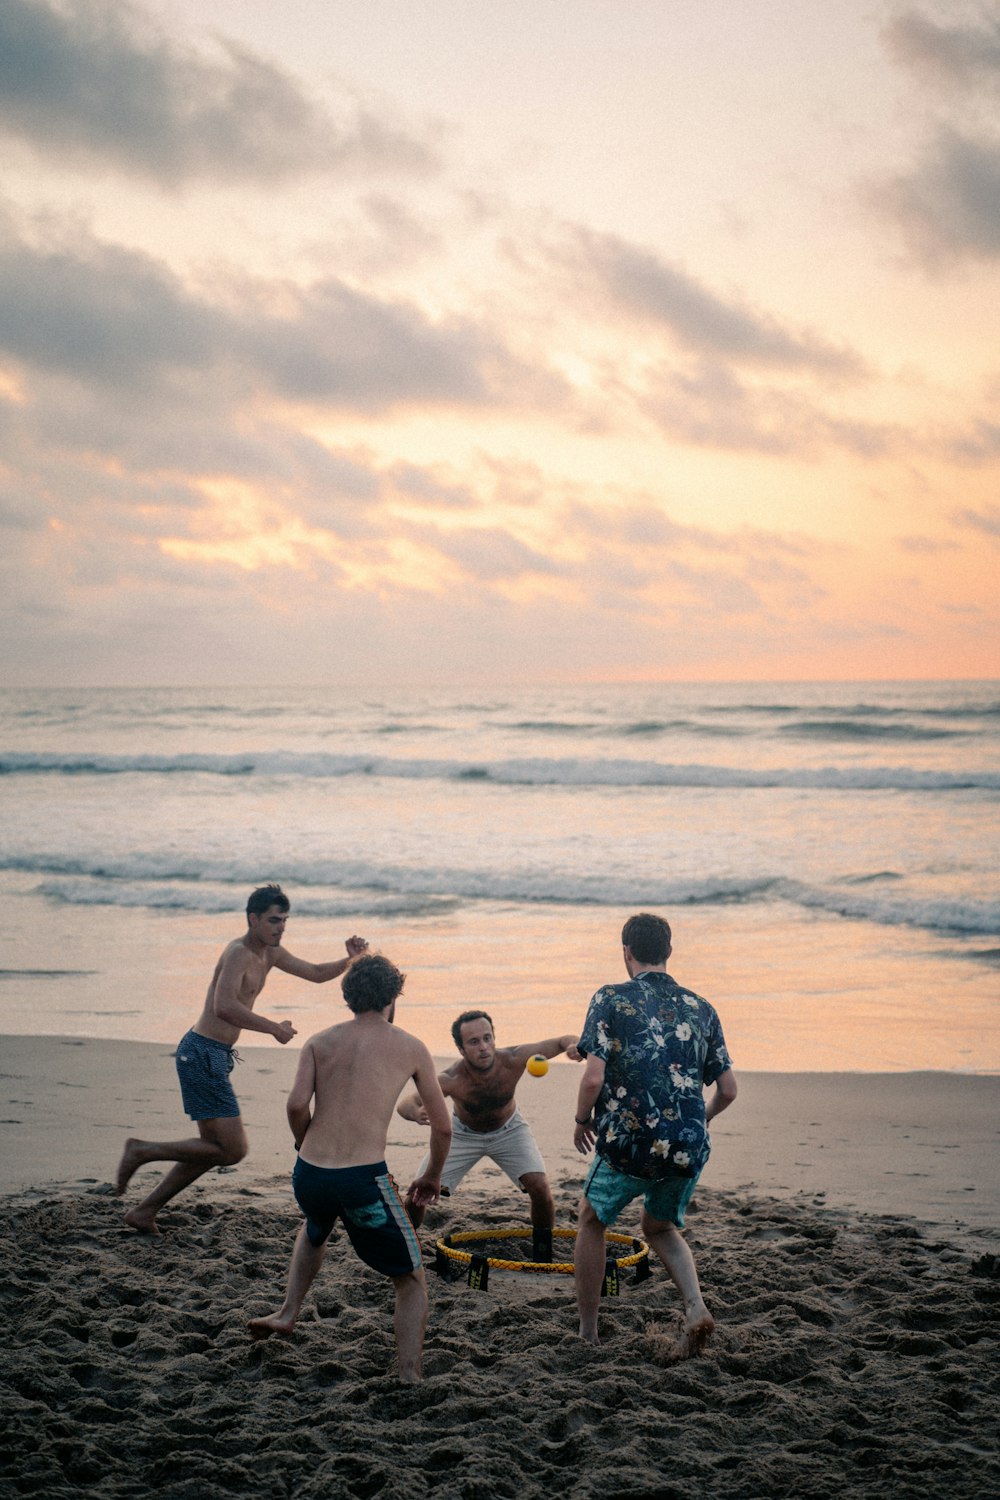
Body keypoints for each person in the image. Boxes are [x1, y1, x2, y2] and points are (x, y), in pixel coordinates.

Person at [246, 953, 451, 1384]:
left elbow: (296, 1105)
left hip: (311, 1175)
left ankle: (287, 1313)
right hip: (362, 1182)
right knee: (411, 1278)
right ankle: (410, 1374)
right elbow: (444, 1127)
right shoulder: (410, 1046)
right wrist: (432, 1175)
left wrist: (304, 1141)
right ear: (393, 996)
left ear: (346, 995)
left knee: (316, 1224)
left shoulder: (319, 1041)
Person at [115, 883, 367, 1233]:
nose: (280, 927)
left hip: (213, 1055)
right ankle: (142, 1152)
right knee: (231, 1150)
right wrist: (272, 1028)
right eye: (274, 920)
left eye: (284, 921)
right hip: (201, 1054)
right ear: (253, 919)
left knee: (213, 1148)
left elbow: (314, 973)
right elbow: (224, 1005)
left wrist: (350, 959)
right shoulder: (238, 953)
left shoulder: (271, 954)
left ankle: (144, 1210)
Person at [573, 912, 737, 1354]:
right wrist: (695, 1123)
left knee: (592, 1218)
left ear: (627, 952)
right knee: (659, 1226)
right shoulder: (702, 1008)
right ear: (669, 951)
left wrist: (581, 1119)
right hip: (688, 1145)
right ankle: (695, 1305)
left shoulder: (609, 997)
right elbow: (728, 1090)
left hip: (631, 1144)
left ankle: (588, 1332)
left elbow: (592, 1079)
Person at [396, 1010, 581, 1261]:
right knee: (418, 1194)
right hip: (463, 1134)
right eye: (474, 1042)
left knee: (540, 1186)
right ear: (461, 1049)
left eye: (487, 1038)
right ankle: (408, 1246)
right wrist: (415, 1112)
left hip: (509, 1129)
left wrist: (572, 1045)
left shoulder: (514, 1059)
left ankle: (542, 1251)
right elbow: (406, 1102)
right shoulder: (451, 1079)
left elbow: (560, 1041)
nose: (483, 1047)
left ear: (494, 1038)